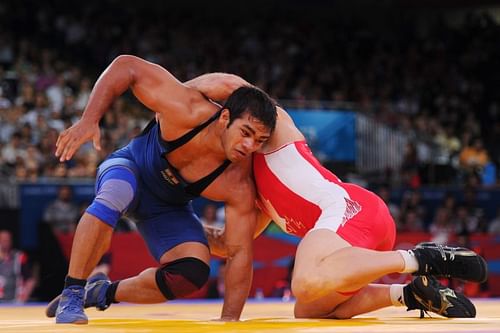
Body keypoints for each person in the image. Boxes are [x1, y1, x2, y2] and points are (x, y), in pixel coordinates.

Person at [196, 74, 488, 319]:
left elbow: (233, 85)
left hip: (353, 209)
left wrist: (183, 92)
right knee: (308, 309)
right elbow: (227, 245)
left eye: (252, 136)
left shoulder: (274, 130)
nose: (250, 143)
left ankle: (422, 257)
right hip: (354, 237)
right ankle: (411, 293)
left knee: (306, 280)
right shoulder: (259, 204)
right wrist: (176, 223)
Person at [46, 55, 277, 324]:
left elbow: (238, 253)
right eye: (246, 132)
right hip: (131, 168)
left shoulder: (237, 182)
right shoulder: (187, 108)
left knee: (191, 273)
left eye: (259, 140)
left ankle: (101, 292)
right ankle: (72, 292)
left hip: (166, 208)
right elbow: (126, 66)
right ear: (225, 117)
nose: (249, 146)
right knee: (114, 196)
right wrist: (89, 119)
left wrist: (229, 320)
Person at [0, 230, 36, 303]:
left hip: (15, 302)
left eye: (7, 240)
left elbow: (31, 280)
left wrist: (23, 298)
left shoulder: (20, 257)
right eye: (3, 240)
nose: (5, 242)